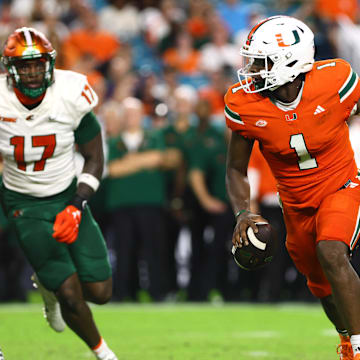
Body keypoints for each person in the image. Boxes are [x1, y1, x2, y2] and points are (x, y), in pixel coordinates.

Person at [225, 15, 360, 359]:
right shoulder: (245, 103)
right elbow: (236, 169)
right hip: (296, 205)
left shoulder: (335, 80)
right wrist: (243, 212)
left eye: (261, 61)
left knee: (332, 252)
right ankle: (346, 337)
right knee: (322, 287)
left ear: (288, 61)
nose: (252, 69)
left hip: (341, 186)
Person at [0, 27, 117, 360]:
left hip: (67, 196)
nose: (33, 72)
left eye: (38, 64)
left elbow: (95, 157)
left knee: (100, 291)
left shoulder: (69, 92)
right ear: (10, 69)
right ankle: (106, 354)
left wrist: (78, 204)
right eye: (24, 66)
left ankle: (46, 286)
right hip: (23, 202)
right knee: (69, 292)